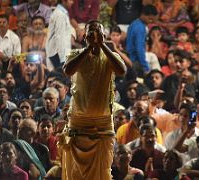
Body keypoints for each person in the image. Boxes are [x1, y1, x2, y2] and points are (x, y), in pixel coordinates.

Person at [61, 20, 126, 180]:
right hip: (79, 121)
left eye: (99, 33)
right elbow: (68, 70)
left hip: (103, 121)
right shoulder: (75, 54)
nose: (95, 36)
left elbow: (122, 71)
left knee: (103, 170)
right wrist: (90, 48)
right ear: (84, 37)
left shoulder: (111, 56)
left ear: (104, 36)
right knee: (75, 171)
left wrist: (103, 46)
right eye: (91, 33)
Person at [126, 4, 158, 76]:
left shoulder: (134, 23)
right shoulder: (140, 28)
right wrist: (145, 67)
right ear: (143, 15)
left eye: (152, 20)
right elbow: (139, 48)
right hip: (135, 59)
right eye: (150, 19)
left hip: (131, 56)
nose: (151, 21)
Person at [46, 0, 74, 71]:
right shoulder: (60, 15)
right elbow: (60, 38)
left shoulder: (62, 13)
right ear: (63, 1)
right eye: (70, 0)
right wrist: (63, 60)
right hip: (58, 55)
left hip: (59, 53)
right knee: (60, 79)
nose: (72, 2)